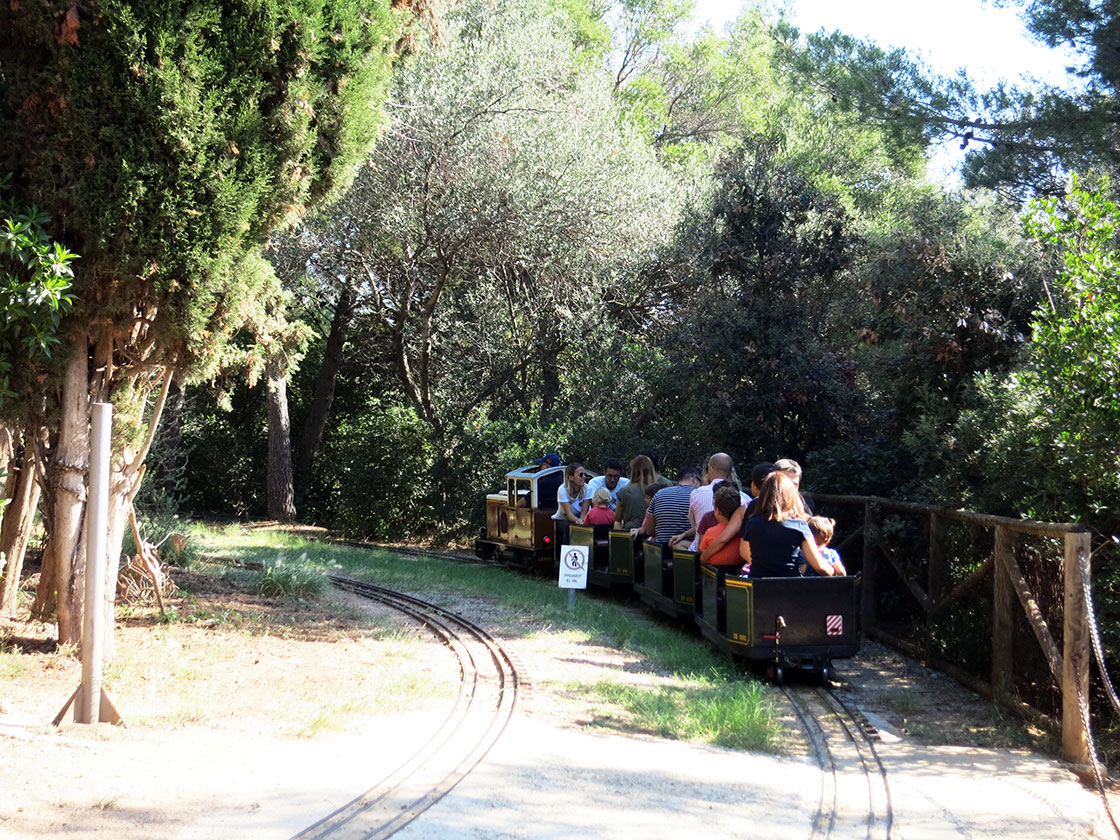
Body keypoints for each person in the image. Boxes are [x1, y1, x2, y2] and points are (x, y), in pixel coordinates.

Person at [739, 472, 835, 578]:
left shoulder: (752, 524)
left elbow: (749, 554)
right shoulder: (799, 525)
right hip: (789, 586)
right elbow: (819, 566)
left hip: (758, 584)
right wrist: (832, 571)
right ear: (790, 496)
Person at [632, 465, 701, 544]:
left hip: (660, 549)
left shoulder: (659, 494)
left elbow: (649, 531)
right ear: (694, 479)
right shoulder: (698, 495)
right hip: (687, 550)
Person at [699, 482, 745, 568]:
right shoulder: (742, 531)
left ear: (717, 510)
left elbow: (701, 550)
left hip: (714, 574)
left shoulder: (710, 532)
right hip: (736, 574)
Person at [552, 463, 590, 545]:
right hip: (563, 519)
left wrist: (582, 522)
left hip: (580, 518)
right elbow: (569, 514)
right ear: (571, 477)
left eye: (584, 474)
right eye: (581, 475)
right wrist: (577, 521)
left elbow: (584, 512)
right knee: (568, 527)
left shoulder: (587, 488)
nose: (584, 477)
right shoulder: (562, 490)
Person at [615, 455, 657, 530]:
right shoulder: (659, 490)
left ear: (633, 470)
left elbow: (618, 519)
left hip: (629, 532)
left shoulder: (624, 491)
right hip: (652, 534)